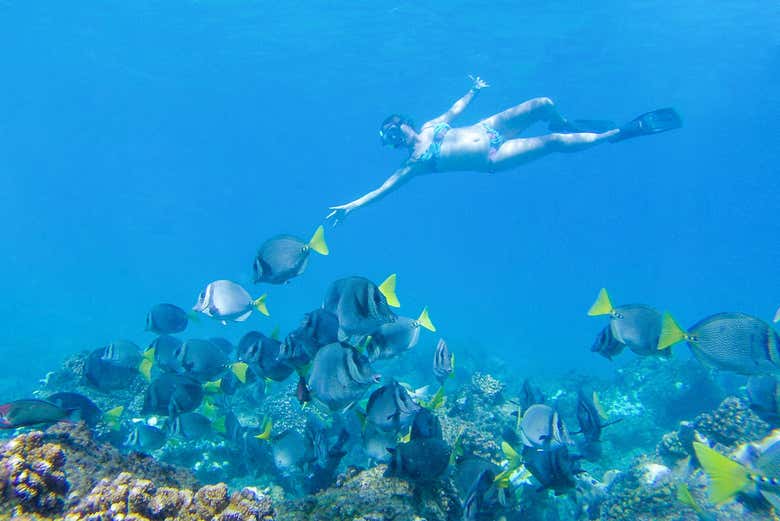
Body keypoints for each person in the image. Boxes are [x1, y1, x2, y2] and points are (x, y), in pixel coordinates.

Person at [326, 76, 681, 225]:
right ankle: (619, 133)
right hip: (494, 157)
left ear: (405, 123)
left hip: (490, 127)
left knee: (543, 103)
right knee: (553, 144)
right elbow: (383, 189)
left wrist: (474, 91)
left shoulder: (432, 125)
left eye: (394, 129)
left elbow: (454, 110)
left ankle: (564, 123)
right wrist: (352, 206)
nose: (395, 137)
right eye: (389, 137)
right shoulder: (414, 164)